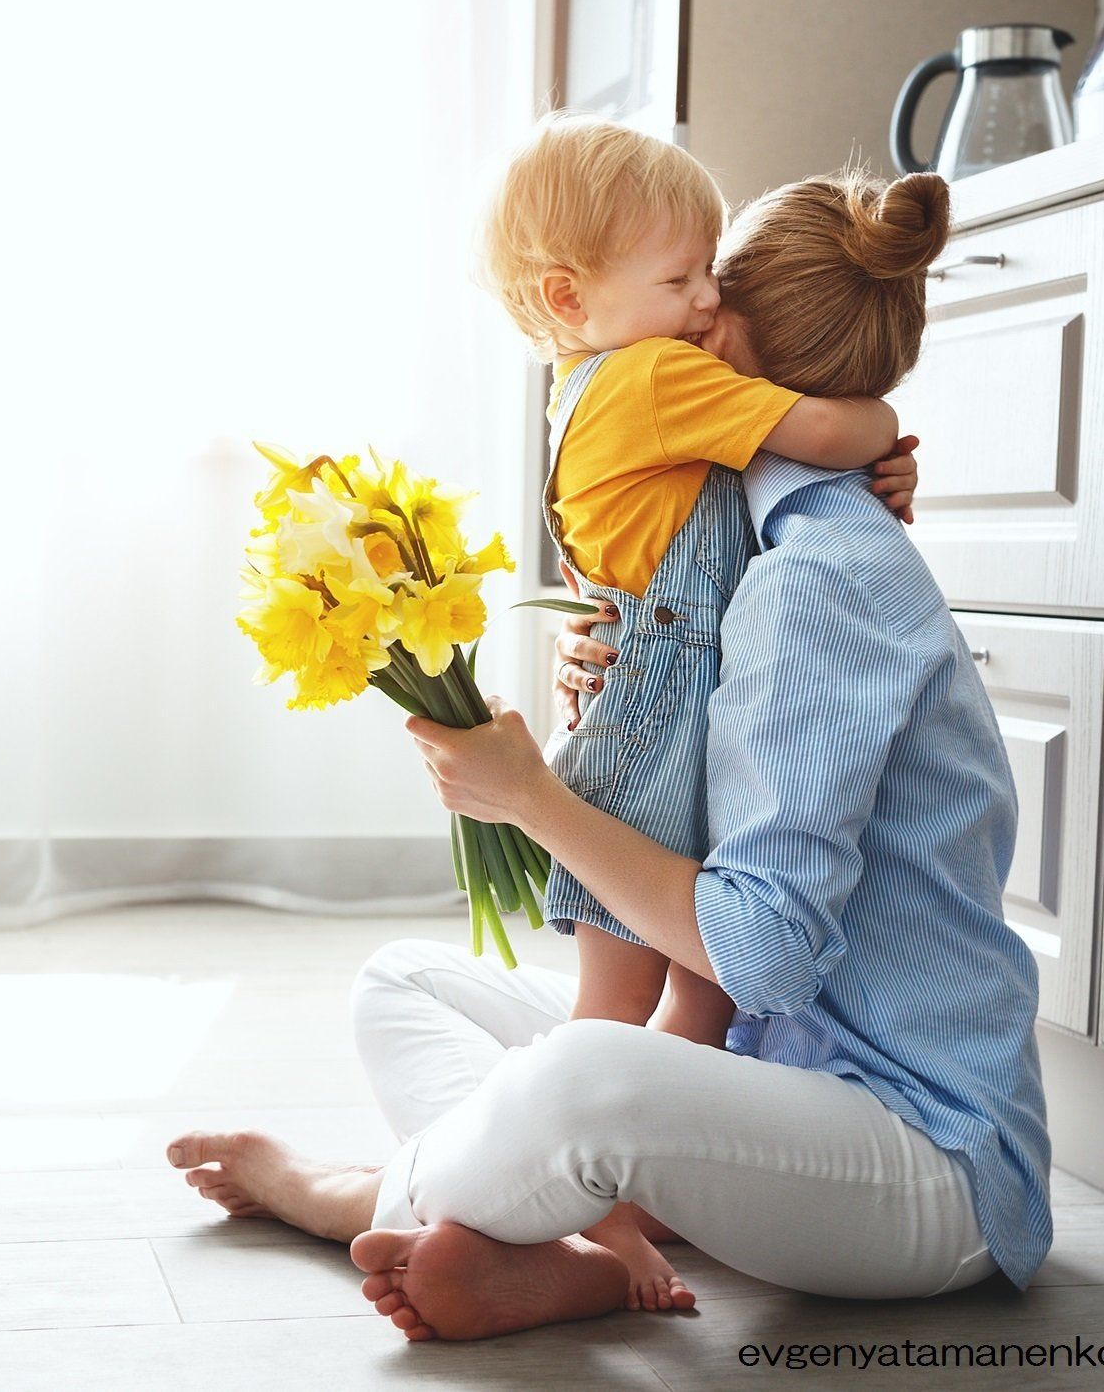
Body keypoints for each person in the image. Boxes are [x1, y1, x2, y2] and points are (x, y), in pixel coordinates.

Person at [166, 167, 1049, 1343]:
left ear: (719, 348)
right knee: (407, 981)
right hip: (767, 1080)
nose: (675, 313)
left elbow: (763, 955)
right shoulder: (747, 543)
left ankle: (339, 1195)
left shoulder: (818, 581)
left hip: (917, 1156)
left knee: (582, 1072)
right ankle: (565, 1240)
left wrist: (531, 797)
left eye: (699, 285)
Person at [471, 112, 923, 1306]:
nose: (703, 298)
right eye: (679, 278)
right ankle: (574, 1206)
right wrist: (882, 424)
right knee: (645, 1000)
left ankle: (594, 1203)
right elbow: (823, 424)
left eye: (712, 271)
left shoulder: (583, 385)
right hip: (658, 715)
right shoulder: (656, 373)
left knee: (667, 995)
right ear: (570, 297)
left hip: (647, 701)